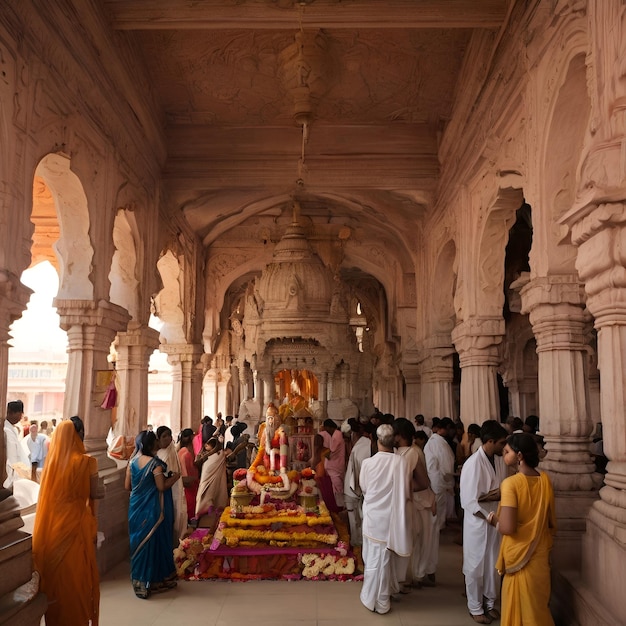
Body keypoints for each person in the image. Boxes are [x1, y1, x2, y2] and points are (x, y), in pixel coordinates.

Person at [32, 417, 100, 625]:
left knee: (56, 585)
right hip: (76, 530)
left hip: (52, 534)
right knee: (76, 583)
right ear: (78, 435)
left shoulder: (51, 467)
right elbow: (96, 494)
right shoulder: (87, 462)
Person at [492, 433, 557, 626]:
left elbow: (507, 527)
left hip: (519, 555)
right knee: (537, 609)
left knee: (520, 611)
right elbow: (550, 522)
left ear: (519, 456)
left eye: (507, 451)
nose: (503, 455)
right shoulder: (545, 480)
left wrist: (494, 520)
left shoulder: (511, 484)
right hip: (539, 555)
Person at [460, 420, 508, 624]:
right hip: (478, 523)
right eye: (501, 443)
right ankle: (475, 606)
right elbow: (469, 500)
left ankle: (489, 603)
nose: (504, 448)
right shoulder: (473, 463)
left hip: (494, 519)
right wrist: (489, 517)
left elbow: (500, 489)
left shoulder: (497, 460)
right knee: (475, 565)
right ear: (490, 441)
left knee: (492, 564)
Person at [359, 424, 411, 615]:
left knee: (374, 559)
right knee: (383, 559)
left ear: (376, 440)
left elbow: (364, 488)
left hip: (373, 517)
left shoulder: (368, 463)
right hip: (391, 518)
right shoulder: (400, 462)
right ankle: (381, 598)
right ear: (393, 440)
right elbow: (405, 491)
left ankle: (378, 600)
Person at [126, 430, 180, 599]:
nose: (158, 443)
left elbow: (127, 486)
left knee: (139, 544)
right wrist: (175, 477)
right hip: (152, 508)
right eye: (156, 441)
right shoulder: (155, 465)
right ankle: (154, 579)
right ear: (151, 445)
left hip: (135, 508)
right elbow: (161, 487)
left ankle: (140, 581)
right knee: (153, 543)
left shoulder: (131, 462)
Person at [393, 417, 432, 592]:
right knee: (407, 539)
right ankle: (407, 577)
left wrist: (403, 487)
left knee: (417, 540)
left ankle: (418, 575)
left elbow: (423, 482)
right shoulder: (399, 453)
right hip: (406, 503)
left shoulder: (412, 452)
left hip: (418, 502)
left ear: (400, 436)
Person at [423, 416, 456, 585]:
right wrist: (452, 481)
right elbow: (447, 469)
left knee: (431, 528)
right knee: (433, 529)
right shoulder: (439, 443)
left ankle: (427, 568)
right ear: (443, 429)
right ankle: (428, 568)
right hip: (438, 486)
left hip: (435, 486)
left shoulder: (434, 442)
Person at [343, 420, 373, 547]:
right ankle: (358, 544)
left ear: (352, 434)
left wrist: (361, 490)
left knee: (358, 521)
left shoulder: (363, 446)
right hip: (355, 489)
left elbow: (362, 470)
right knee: (356, 520)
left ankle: (358, 546)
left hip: (357, 489)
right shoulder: (362, 445)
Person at [156, 426, 187, 542]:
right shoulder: (157, 453)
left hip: (173, 487)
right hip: (162, 488)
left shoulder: (172, 451)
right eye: (164, 436)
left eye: (169, 435)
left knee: (174, 515)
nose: (167, 439)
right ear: (158, 438)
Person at [195, 437, 228, 518]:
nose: (205, 446)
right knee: (208, 496)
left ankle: (209, 511)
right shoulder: (210, 456)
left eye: (208, 445)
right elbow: (197, 463)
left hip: (209, 479)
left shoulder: (217, 456)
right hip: (206, 478)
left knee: (208, 496)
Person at [319, 418, 346, 507]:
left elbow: (331, 451)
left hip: (336, 466)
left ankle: (340, 507)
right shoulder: (335, 434)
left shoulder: (337, 435)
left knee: (338, 488)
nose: (325, 431)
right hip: (335, 466)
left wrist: (321, 452)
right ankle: (339, 506)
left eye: (326, 428)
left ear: (329, 427)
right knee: (336, 488)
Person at [3, 400, 30, 488]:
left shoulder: (12, 429)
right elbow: (12, 457)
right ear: (10, 413)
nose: (21, 417)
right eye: (19, 414)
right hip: (12, 474)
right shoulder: (6, 430)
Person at [311, 433, 340, 512]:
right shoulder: (326, 451)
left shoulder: (317, 453)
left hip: (321, 480)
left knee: (323, 504)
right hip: (325, 479)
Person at [177, 428, 200, 521]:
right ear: (191, 437)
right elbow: (189, 471)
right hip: (189, 485)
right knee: (190, 507)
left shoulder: (181, 450)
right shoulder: (186, 454)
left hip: (183, 485)